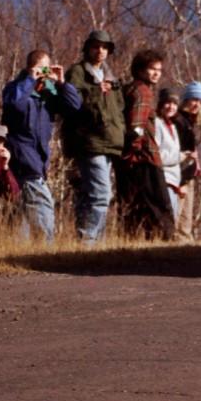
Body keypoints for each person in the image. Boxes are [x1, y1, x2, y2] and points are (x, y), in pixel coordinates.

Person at [2, 50, 82, 242]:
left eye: (46, 67)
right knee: (42, 203)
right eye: (39, 67)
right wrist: (30, 78)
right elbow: (14, 104)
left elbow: (74, 106)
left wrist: (62, 83)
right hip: (22, 155)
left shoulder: (49, 94)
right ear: (29, 67)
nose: (43, 72)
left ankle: (21, 250)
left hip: (40, 158)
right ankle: (47, 248)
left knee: (22, 210)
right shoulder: (15, 88)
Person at [62, 30, 125, 245]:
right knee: (101, 194)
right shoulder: (77, 72)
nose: (100, 51)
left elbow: (119, 109)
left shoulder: (110, 76)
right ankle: (87, 240)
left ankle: (96, 244)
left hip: (109, 141)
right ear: (87, 47)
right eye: (96, 46)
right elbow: (73, 103)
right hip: (89, 142)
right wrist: (98, 90)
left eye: (105, 47)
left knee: (93, 195)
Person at [117, 49, 174, 240]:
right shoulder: (143, 91)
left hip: (134, 158)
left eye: (159, 69)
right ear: (140, 70)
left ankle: (132, 241)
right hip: (144, 157)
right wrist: (133, 149)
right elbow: (136, 126)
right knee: (159, 204)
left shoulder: (131, 89)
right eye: (152, 69)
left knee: (133, 205)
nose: (156, 73)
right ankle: (165, 244)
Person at [173, 81, 201, 241]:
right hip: (180, 173)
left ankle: (185, 242)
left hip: (189, 173)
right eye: (194, 100)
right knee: (178, 214)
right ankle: (176, 242)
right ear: (186, 99)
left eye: (200, 101)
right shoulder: (179, 121)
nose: (197, 104)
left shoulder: (193, 123)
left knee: (186, 216)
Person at [154, 88, 182, 224]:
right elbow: (156, 155)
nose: (171, 107)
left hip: (174, 180)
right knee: (169, 218)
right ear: (161, 104)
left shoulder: (172, 125)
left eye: (174, 103)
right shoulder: (157, 124)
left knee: (174, 217)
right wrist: (179, 156)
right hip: (164, 179)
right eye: (168, 103)